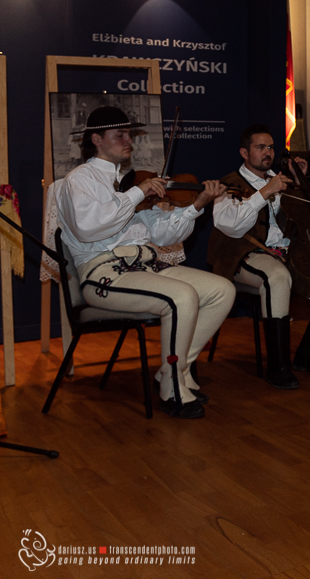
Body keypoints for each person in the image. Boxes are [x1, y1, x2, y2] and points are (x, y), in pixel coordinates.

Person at [56, 106, 235, 419]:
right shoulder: (79, 180)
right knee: (181, 297)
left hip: (143, 266)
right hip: (103, 274)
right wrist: (137, 193)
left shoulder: (128, 182)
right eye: (120, 134)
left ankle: (172, 372)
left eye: (129, 134)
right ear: (97, 139)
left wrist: (196, 206)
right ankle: (173, 391)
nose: (129, 141)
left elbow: (163, 234)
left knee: (221, 290)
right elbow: (89, 227)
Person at [209, 124, 310, 391]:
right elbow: (231, 226)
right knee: (277, 278)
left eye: (271, 147)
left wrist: (302, 185)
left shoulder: (283, 180)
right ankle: (279, 366)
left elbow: (307, 221)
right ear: (244, 152)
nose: (267, 153)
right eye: (260, 147)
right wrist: (264, 192)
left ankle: (309, 352)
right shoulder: (229, 184)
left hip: (286, 252)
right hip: (244, 255)